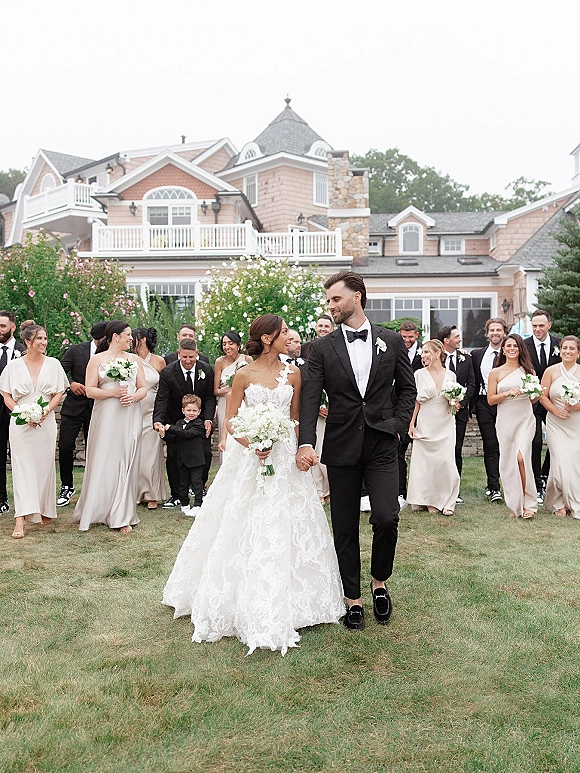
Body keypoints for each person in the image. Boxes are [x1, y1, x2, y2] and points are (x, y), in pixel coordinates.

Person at [163, 314, 344, 655]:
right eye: (284, 331)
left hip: (285, 456)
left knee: (291, 519)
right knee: (244, 518)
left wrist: (293, 445)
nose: (289, 335)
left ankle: (301, 599)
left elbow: (295, 418)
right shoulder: (244, 375)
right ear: (267, 338)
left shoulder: (294, 374)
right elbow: (231, 420)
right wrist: (254, 442)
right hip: (253, 456)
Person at [297, 271, 416, 631]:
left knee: (387, 516)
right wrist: (306, 441)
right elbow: (310, 398)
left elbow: (407, 389)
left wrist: (398, 427)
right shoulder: (321, 348)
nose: (330, 306)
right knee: (344, 526)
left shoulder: (391, 341)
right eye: (328, 300)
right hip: (341, 444)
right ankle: (353, 599)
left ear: (357, 297)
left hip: (382, 443)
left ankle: (379, 582)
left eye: (336, 299)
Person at [73, 321, 147, 533]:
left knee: (126, 458)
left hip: (129, 414)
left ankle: (122, 515)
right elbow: (90, 391)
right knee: (104, 458)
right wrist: (112, 393)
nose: (131, 338)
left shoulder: (134, 360)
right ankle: (97, 509)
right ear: (115, 336)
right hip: (105, 416)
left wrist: (133, 397)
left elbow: (143, 388)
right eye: (128, 335)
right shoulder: (97, 360)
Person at [0, 321, 68, 538]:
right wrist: (21, 412)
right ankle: (20, 518)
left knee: (44, 465)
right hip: (20, 424)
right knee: (23, 468)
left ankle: (44, 508)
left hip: (45, 423)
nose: (44, 342)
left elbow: (58, 392)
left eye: (45, 338)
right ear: (27, 341)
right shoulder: (13, 367)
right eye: (39, 338)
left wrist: (46, 411)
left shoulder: (54, 364)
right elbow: (6, 395)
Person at [153, 338, 215, 508]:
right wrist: (158, 421)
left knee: (205, 454)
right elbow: (162, 399)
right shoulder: (168, 372)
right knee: (174, 456)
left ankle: (199, 488)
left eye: (191, 357)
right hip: (174, 420)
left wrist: (208, 419)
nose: (188, 361)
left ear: (197, 354)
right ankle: (177, 495)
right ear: (178, 353)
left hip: (200, 421)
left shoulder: (206, 370)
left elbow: (210, 397)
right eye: (184, 357)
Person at [406, 339, 460, 515]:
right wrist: (411, 423)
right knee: (425, 463)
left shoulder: (451, 375)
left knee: (445, 461)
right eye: (423, 352)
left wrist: (455, 402)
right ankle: (427, 500)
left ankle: (445, 500)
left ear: (438, 353)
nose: (423, 355)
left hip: (445, 422)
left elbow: (453, 402)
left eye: (427, 352)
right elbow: (416, 402)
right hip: (426, 422)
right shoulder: (419, 375)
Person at [487, 334, 538, 519]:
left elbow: (533, 400)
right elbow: (491, 400)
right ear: (503, 349)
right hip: (505, 420)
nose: (512, 349)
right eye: (508, 346)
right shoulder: (496, 372)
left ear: (520, 349)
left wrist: (536, 393)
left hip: (525, 418)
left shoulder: (529, 371)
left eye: (515, 346)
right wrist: (507, 393)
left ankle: (528, 504)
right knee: (509, 462)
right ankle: (515, 504)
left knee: (521, 458)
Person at [56, 321, 107, 507]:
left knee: (95, 449)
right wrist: (70, 384)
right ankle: (67, 486)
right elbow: (59, 372)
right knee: (65, 445)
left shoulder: (110, 355)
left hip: (98, 407)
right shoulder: (75, 350)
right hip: (73, 407)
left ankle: (94, 488)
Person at [540, 335, 580, 519]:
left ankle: (572, 503)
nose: (567, 351)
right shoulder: (551, 371)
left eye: (572, 349)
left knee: (574, 464)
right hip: (556, 423)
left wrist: (577, 406)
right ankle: (558, 504)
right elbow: (542, 396)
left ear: (578, 353)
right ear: (560, 350)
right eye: (565, 348)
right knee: (559, 462)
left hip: (576, 423)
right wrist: (555, 411)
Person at [524, 309, 561, 503]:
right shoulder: (524, 345)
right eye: (534, 326)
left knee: (557, 442)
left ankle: (546, 474)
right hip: (532, 403)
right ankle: (537, 486)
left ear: (549, 325)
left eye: (541, 325)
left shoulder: (559, 344)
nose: (537, 329)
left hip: (554, 401)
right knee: (536, 443)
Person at [471, 318, 509, 503]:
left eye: (498, 330)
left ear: (504, 333)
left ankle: (510, 483)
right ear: (487, 333)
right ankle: (493, 487)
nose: (495, 333)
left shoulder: (511, 353)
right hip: (484, 403)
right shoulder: (477, 355)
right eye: (492, 330)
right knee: (491, 445)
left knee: (507, 445)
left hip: (507, 404)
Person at [436, 325, 476, 502]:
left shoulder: (465, 359)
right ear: (446, 340)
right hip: (439, 412)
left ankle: (455, 489)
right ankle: (438, 487)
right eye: (457, 336)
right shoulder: (436, 358)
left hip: (459, 412)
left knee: (456, 449)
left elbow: (472, 384)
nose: (460, 339)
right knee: (440, 450)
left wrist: (461, 403)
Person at [132, 326, 167, 509]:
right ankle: (135, 493)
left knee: (151, 453)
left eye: (133, 338)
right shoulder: (129, 360)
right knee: (134, 452)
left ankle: (152, 494)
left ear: (143, 340)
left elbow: (165, 388)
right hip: (133, 409)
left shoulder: (158, 361)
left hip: (152, 411)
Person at [301, 315, 334, 505]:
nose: (323, 328)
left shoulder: (337, 348)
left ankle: (331, 489)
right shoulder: (308, 348)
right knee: (318, 449)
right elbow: (308, 382)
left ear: (332, 328)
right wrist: (320, 405)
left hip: (335, 413)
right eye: (320, 325)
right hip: (317, 414)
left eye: (326, 326)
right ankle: (319, 489)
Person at [157, 394, 206, 515]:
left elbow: (187, 434)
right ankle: (184, 503)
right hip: (182, 460)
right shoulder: (179, 423)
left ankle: (198, 504)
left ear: (199, 412)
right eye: (188, 410)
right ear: (183, 410)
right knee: (183, 483)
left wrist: (171, 427)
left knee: (196, 483)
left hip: (196, 460)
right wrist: (163, 434)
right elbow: (173, 438)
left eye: (194, 410)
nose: (191, 413)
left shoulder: (199, 424)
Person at [0, 311, 26, 514]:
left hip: (20, 410)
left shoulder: (24, 351)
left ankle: (26, 501)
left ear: (13, 327)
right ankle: (1, 499)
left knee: (22, 457)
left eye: (3, 326)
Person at [397, 321, 424, 509]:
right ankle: (400, 492)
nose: (407, 340)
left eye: (410, 337)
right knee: (398, 452)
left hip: (424, 408)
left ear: (417, 335)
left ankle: (422, 493)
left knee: (423, 454)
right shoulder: (394, 348)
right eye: (404, 336)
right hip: (401, 407)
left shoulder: (425, 352)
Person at [213, 331, 252, 462]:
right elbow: (216, 390)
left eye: (230, 343)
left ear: (238, 345)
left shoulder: (247, 360)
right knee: (226, 432)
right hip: (225, 401)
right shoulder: (220, 362)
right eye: (224, 344)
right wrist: (231, 390)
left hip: (244, 402)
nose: (227, 347)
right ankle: (226, 463)